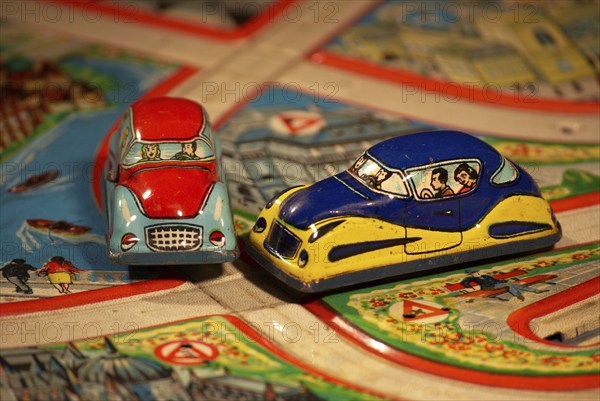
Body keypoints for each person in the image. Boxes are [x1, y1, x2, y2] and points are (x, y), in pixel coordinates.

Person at [460, 270, 547, 301]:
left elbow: (496, 280)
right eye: (474, 274)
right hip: (488, 288)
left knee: (511, 284)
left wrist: (506, 280)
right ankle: (519, 295)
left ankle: (535, 291)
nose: (476, 274)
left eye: (476, 272)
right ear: (472, 275)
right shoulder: (473, 279)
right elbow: (464, 282)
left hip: (496, 284)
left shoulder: (485, 276)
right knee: (508, 284)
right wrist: (469, 286)